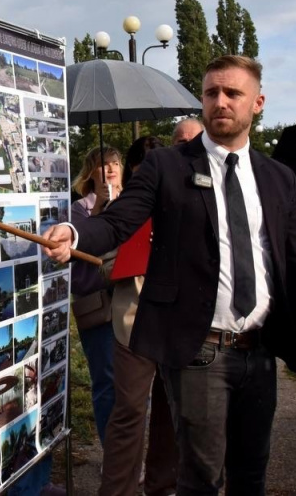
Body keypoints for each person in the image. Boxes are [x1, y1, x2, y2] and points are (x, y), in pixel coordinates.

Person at [43, 55, 296, 495]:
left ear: (258, 103)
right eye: (212, 93)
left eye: (233, 93)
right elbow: (118, 222)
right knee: (200, 477)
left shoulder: (278, 178)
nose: (221, 102)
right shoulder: (168, 167)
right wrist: (76, 232)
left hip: (260, 350)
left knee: (251, 473)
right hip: (200, 352)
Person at [101, 135, 176, 496]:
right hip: (133, 320)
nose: (151, 167)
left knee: (170, 412)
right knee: (129, 410)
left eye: (158, 159)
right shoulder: (122, 206)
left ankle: (162, 487)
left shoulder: (187, 200)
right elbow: (101, 265)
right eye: (143, 162)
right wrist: (120, 261)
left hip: (180, 324)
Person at [69, 145, 123, 445]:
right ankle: (112, 453)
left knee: (136, 382)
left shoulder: (133, 201)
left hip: (132, 303)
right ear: (91, 173)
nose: (111, 169)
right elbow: (81, 256)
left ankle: (133, 451)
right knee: (107, 381)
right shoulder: (80, 209)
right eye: (103, 164)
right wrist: (101, 208)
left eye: (115, 162)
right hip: (99, 307)